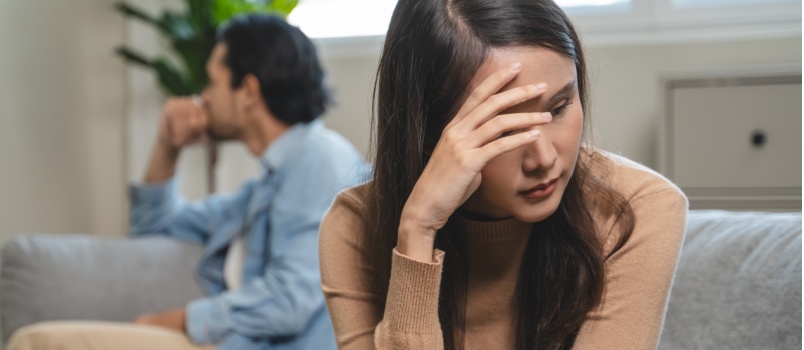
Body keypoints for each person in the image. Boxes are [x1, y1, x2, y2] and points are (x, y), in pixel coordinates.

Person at [319, 0, 688, 349]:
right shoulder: (354, 227)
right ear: (428, 133)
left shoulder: (640, 208)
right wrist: (417, 231)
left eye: (559, 108)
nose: (543, 159)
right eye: (504, 130)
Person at [9, 13, 364, 350]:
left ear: (249, 91)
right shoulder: (263, 189)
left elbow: (292, 299)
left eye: (212, 80)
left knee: (38, 342)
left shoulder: (320, 160)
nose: (203, 96)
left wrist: (178, 319)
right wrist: (168, 146)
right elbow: (153, 230)